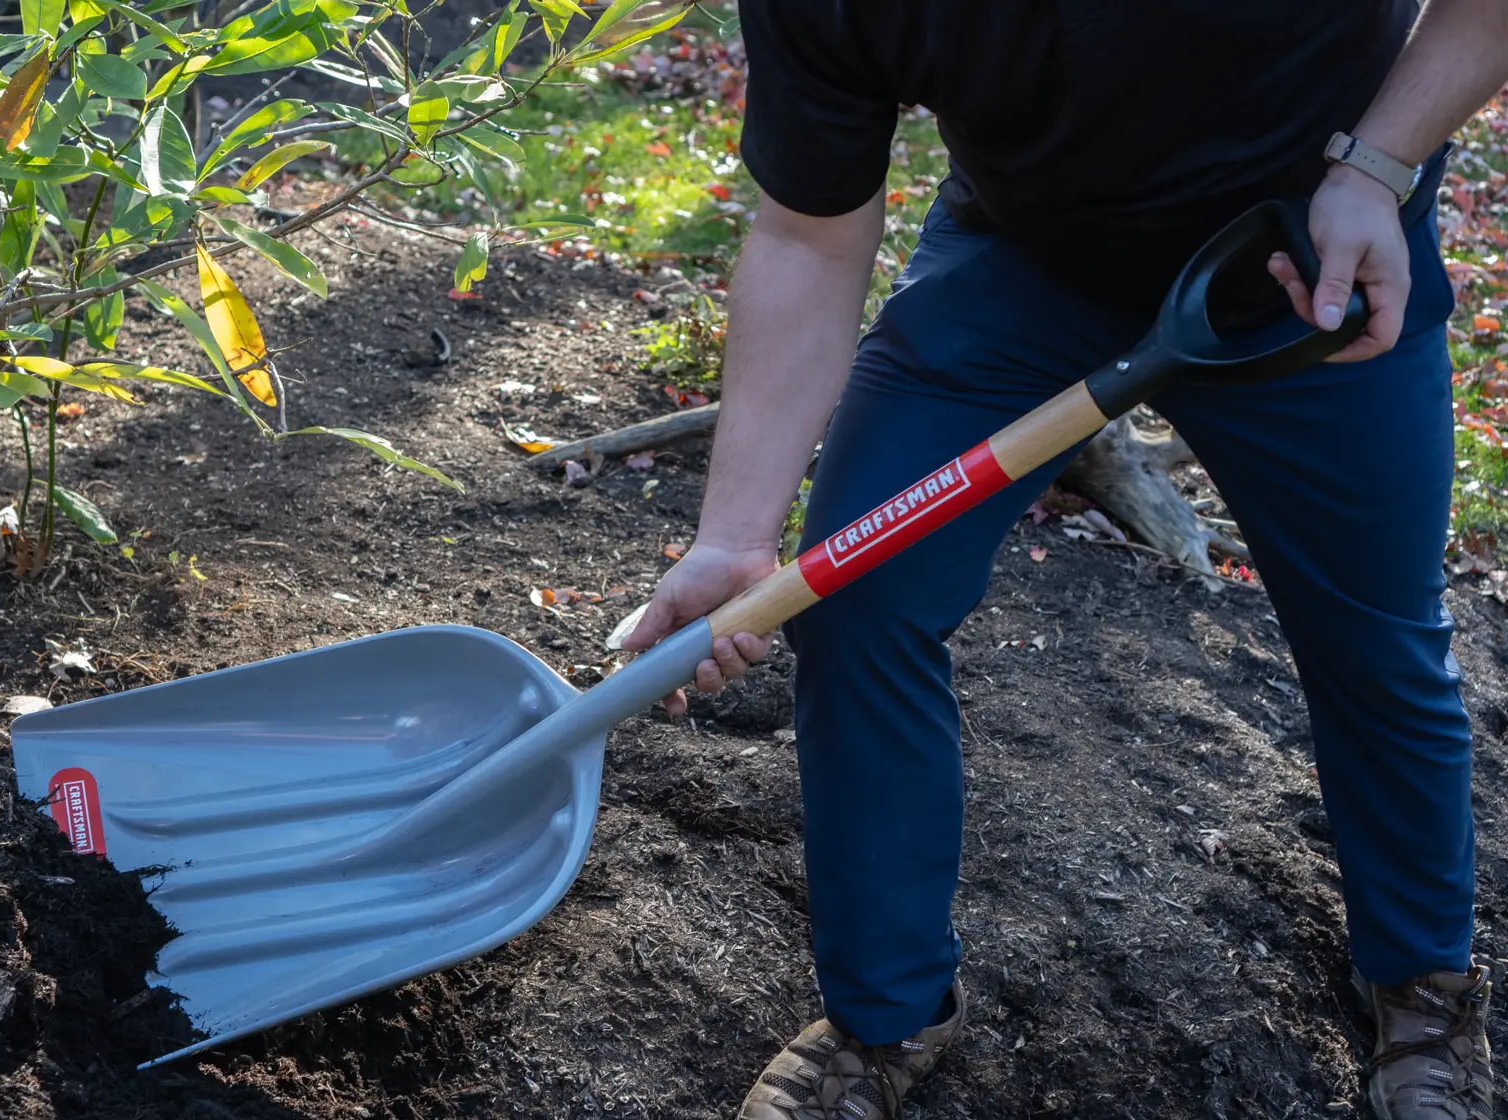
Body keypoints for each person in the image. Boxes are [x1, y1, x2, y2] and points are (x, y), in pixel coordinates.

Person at [618, 1, 1508, 1117]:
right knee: (857, 600)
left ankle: (1426, 983)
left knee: (1374, 637)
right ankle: (882, 1018)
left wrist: (1378, 167)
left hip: (1313, 263)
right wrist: (737, 534)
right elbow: (806, 233)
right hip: (1026, 264)